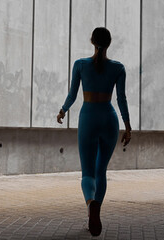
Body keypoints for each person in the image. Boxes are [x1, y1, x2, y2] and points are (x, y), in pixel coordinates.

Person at [56, 27, 131, 237]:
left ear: (92, 41)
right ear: (109, 44)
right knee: (101, 171)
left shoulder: (80, 65)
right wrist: (128, 126)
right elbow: (121, 99)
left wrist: (62, 110)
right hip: (109, 119)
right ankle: (97, 206)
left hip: (88, 117)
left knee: (87, 173)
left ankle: (91, 205)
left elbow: (72, 94)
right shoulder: (118, 68)